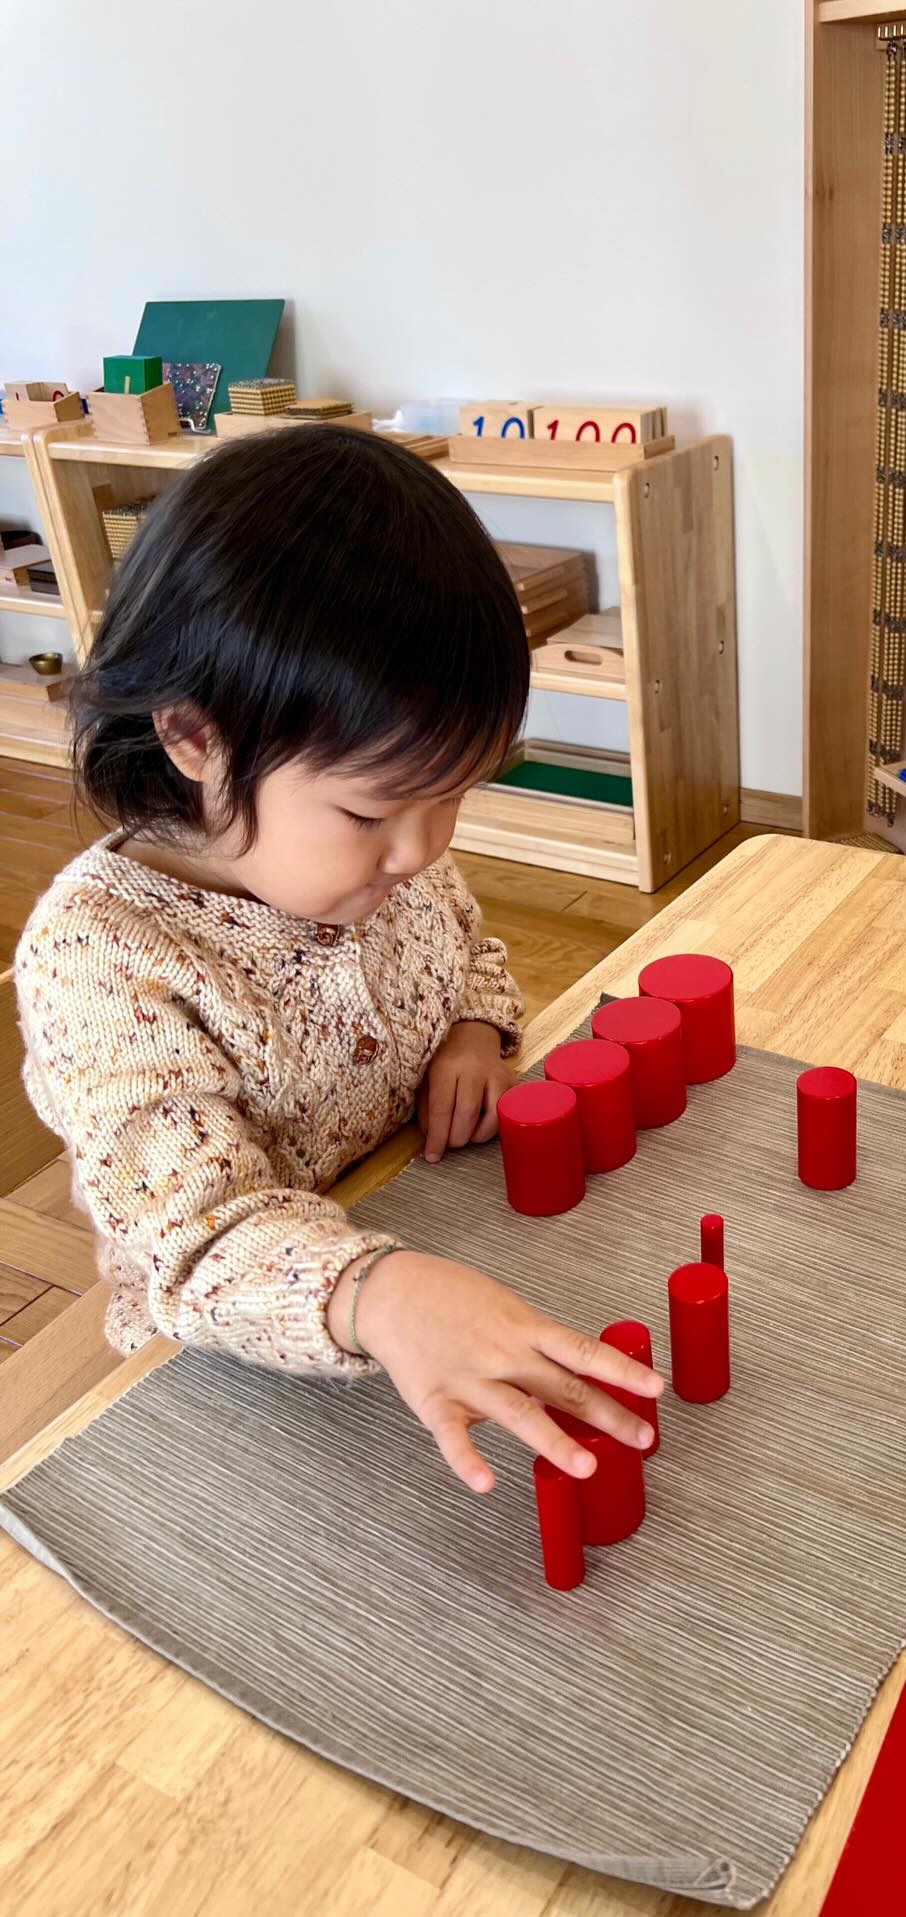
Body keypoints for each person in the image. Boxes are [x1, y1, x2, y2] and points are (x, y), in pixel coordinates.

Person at [15, 425, 660, 1494]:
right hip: (236, 1357)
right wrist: (376, 1294)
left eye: (454, 795)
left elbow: (467, 949)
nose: (423, 849)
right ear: (194, 737)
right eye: (371, 811)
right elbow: (194, 1244)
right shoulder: (103, 956)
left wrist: (475, 1031)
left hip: (417, 1228)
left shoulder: (370, 863)